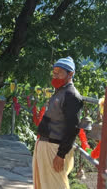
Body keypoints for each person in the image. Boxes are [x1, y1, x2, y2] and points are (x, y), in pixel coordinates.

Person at [33, 56, 83, 189]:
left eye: (59, 72)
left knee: (56, 186)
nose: (55, 75)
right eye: (54, 72)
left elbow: (72, 128)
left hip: (55, 148)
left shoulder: (71, 95)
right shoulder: (60, 92)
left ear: (70, 74)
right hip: (45, 145)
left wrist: (61, 155)